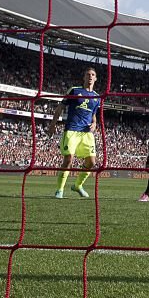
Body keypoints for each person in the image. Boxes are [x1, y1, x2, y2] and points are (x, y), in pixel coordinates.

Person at [50, 67, 102, 199]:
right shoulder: (74, 90)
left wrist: (95, 123)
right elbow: (60, 107)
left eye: (92, 75)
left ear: (95, 78)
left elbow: (94, 115)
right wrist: (52, 124)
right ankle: (59, 190)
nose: (90, 76)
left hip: (87, 133)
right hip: (72, 130)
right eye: (88, 74)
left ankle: (78, 185)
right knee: (68, 159)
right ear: (84, 77)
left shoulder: (97, 97)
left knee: (91, 162)